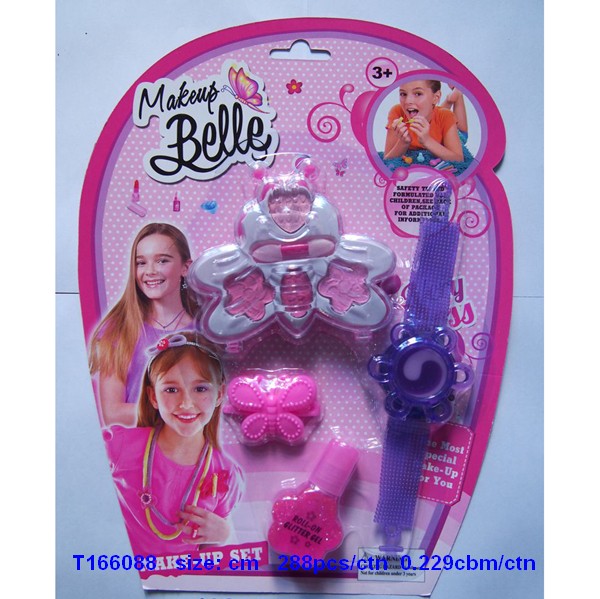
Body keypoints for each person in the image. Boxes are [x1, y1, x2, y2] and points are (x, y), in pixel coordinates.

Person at [103, 331, 244, 556]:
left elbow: (211, 555)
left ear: (219, 394)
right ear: (153, 397)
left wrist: (223, 535)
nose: (186, 403)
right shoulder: (119, 446)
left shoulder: (226, 474)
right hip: (117, 567)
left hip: (183, 577)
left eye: (200, 389)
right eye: (171, 390)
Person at [89, 223, 199, 427]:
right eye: (141, 263)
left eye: (162, 261)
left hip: (199, 444)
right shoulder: (119, 330)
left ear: (186, 267)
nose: (149, 271)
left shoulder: (207, 329)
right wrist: (184, 412)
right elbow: (112, 412)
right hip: (140, 443)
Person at [384, 80, 464, 163]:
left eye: (418, 94)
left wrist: (427, 140)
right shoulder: (397, 112)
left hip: (456, 132)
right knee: (435, 112)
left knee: (463, 133)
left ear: (435, 97)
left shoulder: (446, 116)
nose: (407, 101)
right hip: (435, 114)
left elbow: (458, 159)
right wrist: (403, 143)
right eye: (403, 94)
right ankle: (448, 101)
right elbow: (387, 160)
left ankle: (457, 95)